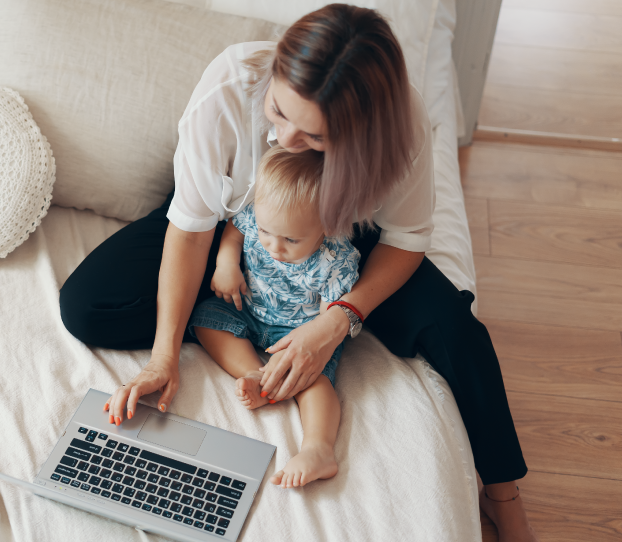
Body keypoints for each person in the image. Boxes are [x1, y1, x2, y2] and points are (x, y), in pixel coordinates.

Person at [60, 4, 537, 540]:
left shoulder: (400, 126)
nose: (286, 140)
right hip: (240, 217)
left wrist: (336, 321)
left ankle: (503, 496)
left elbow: (406, 241)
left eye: (316, 138)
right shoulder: (231, 85)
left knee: (457, 330)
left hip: (339, 235)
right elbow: (192, 228)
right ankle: (230, 310)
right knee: (89, 306)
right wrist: (163, 357)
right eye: (279, 112)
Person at [190, 145, 359, 488]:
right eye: (266, 232)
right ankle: (257, 373)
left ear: (328, 225)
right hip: (249, 312)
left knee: (315, 383)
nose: (273, 246)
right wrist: (226, 264)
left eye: (291, 239)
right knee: (207, 317)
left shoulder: (336, 258)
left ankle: (318, 449)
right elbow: (235, 232)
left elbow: (330, 320)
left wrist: (309, 346)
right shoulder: (258, 217)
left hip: (300, 334)